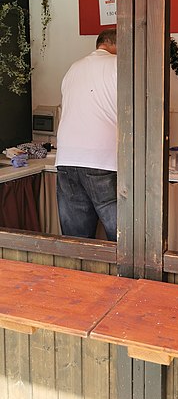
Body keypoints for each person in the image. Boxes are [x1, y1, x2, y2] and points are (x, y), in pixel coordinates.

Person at [55, 27, 117, 241]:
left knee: (76, 238)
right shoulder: (120, 65)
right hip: (103, 159)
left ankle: (76, 274)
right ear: (116, 45)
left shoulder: (74, 68)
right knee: (122, 237)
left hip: (66, 158)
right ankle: (123, 276)